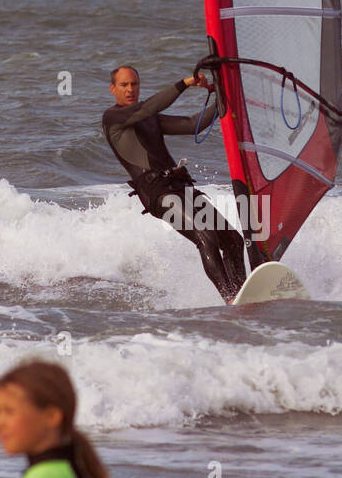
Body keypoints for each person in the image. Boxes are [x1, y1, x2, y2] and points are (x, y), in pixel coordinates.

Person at [102, 64, 247, 302]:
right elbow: (148, 107)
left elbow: (193, 125)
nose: (130, 90)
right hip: (158, 194)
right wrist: (185, 83)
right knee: (206, 237)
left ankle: (244, 295)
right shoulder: (112, 118)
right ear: (112, 89)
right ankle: (231, 300)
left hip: (180, 186)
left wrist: (225, 97)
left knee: (233, 240)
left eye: (134, 84)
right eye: (124, 85)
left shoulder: (150, 120)